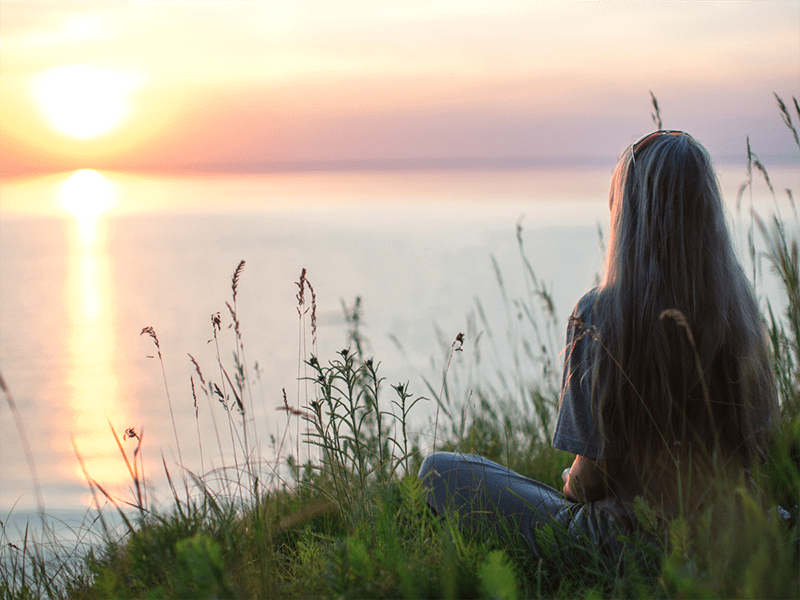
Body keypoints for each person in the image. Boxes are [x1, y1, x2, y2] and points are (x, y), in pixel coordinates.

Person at [418, 131, 778, 561]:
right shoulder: (741, 314)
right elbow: (761, 454)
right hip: (731, 536)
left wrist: (571, 478)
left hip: (625, 545)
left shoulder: (601, 314)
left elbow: (590, 484)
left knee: (441, 471)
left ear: (629, 215)